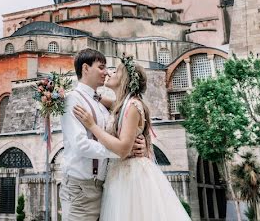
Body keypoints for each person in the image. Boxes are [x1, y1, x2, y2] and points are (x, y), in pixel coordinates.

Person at [73, 55, 191, 221]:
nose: (110, 73)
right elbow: (110, 103)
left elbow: (122, 149)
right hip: (119, 174)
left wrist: (92, 125)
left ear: (124, 79)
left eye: (116, 71)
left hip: (131, 176)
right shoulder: (123, 104)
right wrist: (89, 95)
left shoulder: (133, 106)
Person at [59, 49, 148, 221]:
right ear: (85, 68)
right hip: (81, 188)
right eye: (101, 67)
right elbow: (81, 145)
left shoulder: (101, 104)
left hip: (105, 186)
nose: (106, 72)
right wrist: (123, 151)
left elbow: (123, 124)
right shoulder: (73, 100)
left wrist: (137, 142)